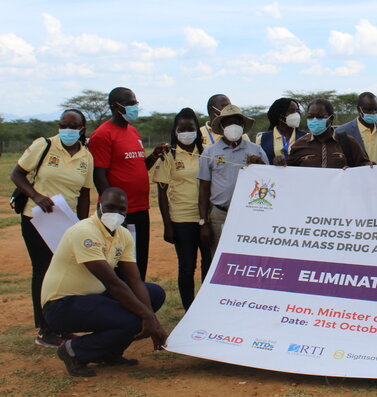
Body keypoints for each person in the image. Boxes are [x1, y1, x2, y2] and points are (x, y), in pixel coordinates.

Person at [41, 188, 166, 377]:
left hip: (91, 298)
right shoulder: (85, 231)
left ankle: (109, 353)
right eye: (110, 207)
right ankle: (73, 351)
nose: (115, 214)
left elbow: (134, 280)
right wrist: (147, 317)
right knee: (133, 319)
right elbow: (112, 282)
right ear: (99, 205)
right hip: (61, 305)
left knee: (154, 294)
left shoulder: (123, 235)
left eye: (121, 209)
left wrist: (153, 320)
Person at [10, 109, 94, 347]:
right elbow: (16, 174)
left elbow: (85, 193)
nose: (67, 129)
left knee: (65, 274)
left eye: (73, 125)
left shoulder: (86, 156)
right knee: (44, 271)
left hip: (66, 224)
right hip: (38, 220)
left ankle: (61, 327)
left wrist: (82, 224)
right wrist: (36, 196)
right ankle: (45, 329)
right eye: (63, 125)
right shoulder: (44, 145)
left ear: (82, 128)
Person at [87, 87, 168, 281]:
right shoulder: (103, 134)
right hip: (121, 212)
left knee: (139, 260)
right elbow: (99, 175)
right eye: (131, 103)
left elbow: (139, 166)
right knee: (122, 265)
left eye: (135, 103)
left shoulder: (132, 132)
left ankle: (139, 301)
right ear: (116, 106)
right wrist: (113, 212)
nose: (135, 107)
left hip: (141, 209)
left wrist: (155, 155)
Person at [153, 108, 210, 311]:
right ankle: (189, 309)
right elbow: (161, 193)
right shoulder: (169, 155)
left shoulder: (206, 152)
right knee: (187, 267)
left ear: (197, 130)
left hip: (206, 218)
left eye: (191, 128)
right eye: (182, 129)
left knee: (208, 265)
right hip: (181, 220)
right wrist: (168, 226)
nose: (187, 132)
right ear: (175, 131)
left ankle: (206, 306)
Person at [198, 104, 268, 255]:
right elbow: (203, 187)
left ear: (243, 126)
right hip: (220, 214)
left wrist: (260, 166)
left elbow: (268, 180)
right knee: (220, 255)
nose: (233, 126)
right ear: (222, 126)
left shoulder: (255, 150)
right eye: (229, 122)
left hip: (250, 213)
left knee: (249, 254)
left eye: (237, 122)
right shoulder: (210, 152)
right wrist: (203, 222)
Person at [288, 99, 372, 168]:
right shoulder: (299, 145)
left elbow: (364, 167)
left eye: (320, 117)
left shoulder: (348, 142)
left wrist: (368, 166)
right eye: (310, 117)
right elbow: (289, 173)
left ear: (331, 119)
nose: (314, 120)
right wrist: (280, 164)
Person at [335, 92, 377, 165]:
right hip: (356, 175)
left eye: (376, 109)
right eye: (369, 110)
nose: (373, 113)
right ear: (359, 109)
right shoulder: (342, 132)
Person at [256, 98, 308, 165]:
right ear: (280, 115)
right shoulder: (263, 138)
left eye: (297, 111)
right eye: (291, 111)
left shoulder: (306, 137)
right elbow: (258, 164)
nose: (296, 114)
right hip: (271, 175)